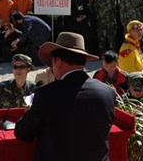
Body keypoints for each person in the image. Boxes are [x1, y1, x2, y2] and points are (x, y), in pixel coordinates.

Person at [15, 32, 116, 161]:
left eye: (52, 62)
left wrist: (28, 113)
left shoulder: (47, 95)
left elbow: (23, 133)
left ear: (58, 62)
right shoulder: (108, 92)